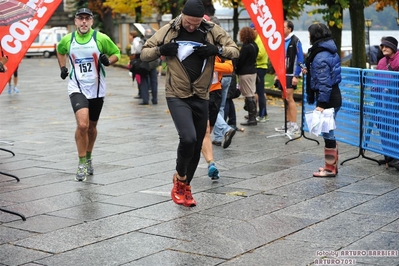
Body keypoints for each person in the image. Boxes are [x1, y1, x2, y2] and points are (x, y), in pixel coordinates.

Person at [140, 0, 239, 207]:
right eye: (188, 23)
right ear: (182, 15)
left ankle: (186, 187)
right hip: (177, 93)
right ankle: (180, 179)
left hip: (202, 94)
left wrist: (216, 50)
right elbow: (144, 53)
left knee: (196, 145)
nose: (192, 27)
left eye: (196, 23)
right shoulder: (169, 30)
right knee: (188, 138)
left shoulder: (211, 30)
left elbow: (234, 50)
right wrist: (161, 50)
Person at [56, 8, 121, 181]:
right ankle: (81, 162)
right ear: (75, 21)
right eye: (80, 19)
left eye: (87, 19)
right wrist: (63, 67)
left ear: (92, 21)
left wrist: (109, 60)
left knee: (92, 128)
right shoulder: (68, 39)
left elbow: (117, 54)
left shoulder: (100, 38)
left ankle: (89, 157)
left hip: (97, 89)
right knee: (83, 125)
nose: (84, 22)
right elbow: (59, 50)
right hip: (76, 86)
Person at [303, 23, 342, 177]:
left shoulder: (319, 55)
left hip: (328, 98)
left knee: (328, 133)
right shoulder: (328, 50)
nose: (308, 36)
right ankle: (331, 166)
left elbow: (325, 82)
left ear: (315, 35)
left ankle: (330, 169)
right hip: (334, 95)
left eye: (309, 34)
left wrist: (321, 104)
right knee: (329, 132)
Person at [202, 56, 234, 180]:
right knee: (204, 131)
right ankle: (211, 164)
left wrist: (211, 65)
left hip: (215, 92)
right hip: (199, 93)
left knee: (208, 131)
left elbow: (229, 67)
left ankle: (202, 159)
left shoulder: (220, 51)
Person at [275, 20, 305, 134]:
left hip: (291, 74)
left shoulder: (296, 41)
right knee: (284, 98)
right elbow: (280, 59)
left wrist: (296, 75)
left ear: (289, 29)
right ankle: (287, 123)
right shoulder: (281, 41)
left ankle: (294, 125)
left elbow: (301, 59)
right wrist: (277, 74)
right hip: (283, 74)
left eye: (283, 27)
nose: (281, 29)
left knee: (289, 98)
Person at [374, 36, 399, 169]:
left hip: (394, 100)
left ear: (394, 48)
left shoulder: (398, 60)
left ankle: (395, 157)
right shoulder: (382, 61)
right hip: (381, 100)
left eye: (387, 46)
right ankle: (388, 157)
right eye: (382, 46)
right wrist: (374, 89)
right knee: (382, 126)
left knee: (395, 127)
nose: (384, 48)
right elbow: (376, 78)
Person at [236, 26, 258, 126]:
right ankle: (253, 115)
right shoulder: (254, 45)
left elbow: (241, 61)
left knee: (248, 95)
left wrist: (236, 69)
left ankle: (252, 118)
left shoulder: (246, 47)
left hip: (245, 73)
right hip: (253, 72)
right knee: (251, 93)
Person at [250, 22, 269, 123]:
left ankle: (263, 114)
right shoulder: (256, 39)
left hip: (260, 67)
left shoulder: (260, 39)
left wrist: (250, 55)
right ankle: (261, 112)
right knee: (258, 91)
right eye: (251, 29)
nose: (252, 31)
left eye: (254, 29)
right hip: (257, 67)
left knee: (260, 92)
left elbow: (261, 54)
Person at [129, 30, 144, 100]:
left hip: (136, 60)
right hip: (137, 59)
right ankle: (141, 92)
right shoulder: (137, 40)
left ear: (132, 36)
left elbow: (137, 50)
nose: (129, 37)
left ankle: (140, 92)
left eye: (129, 35)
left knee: (137, 76)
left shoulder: (135, 41)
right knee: (138, 77)